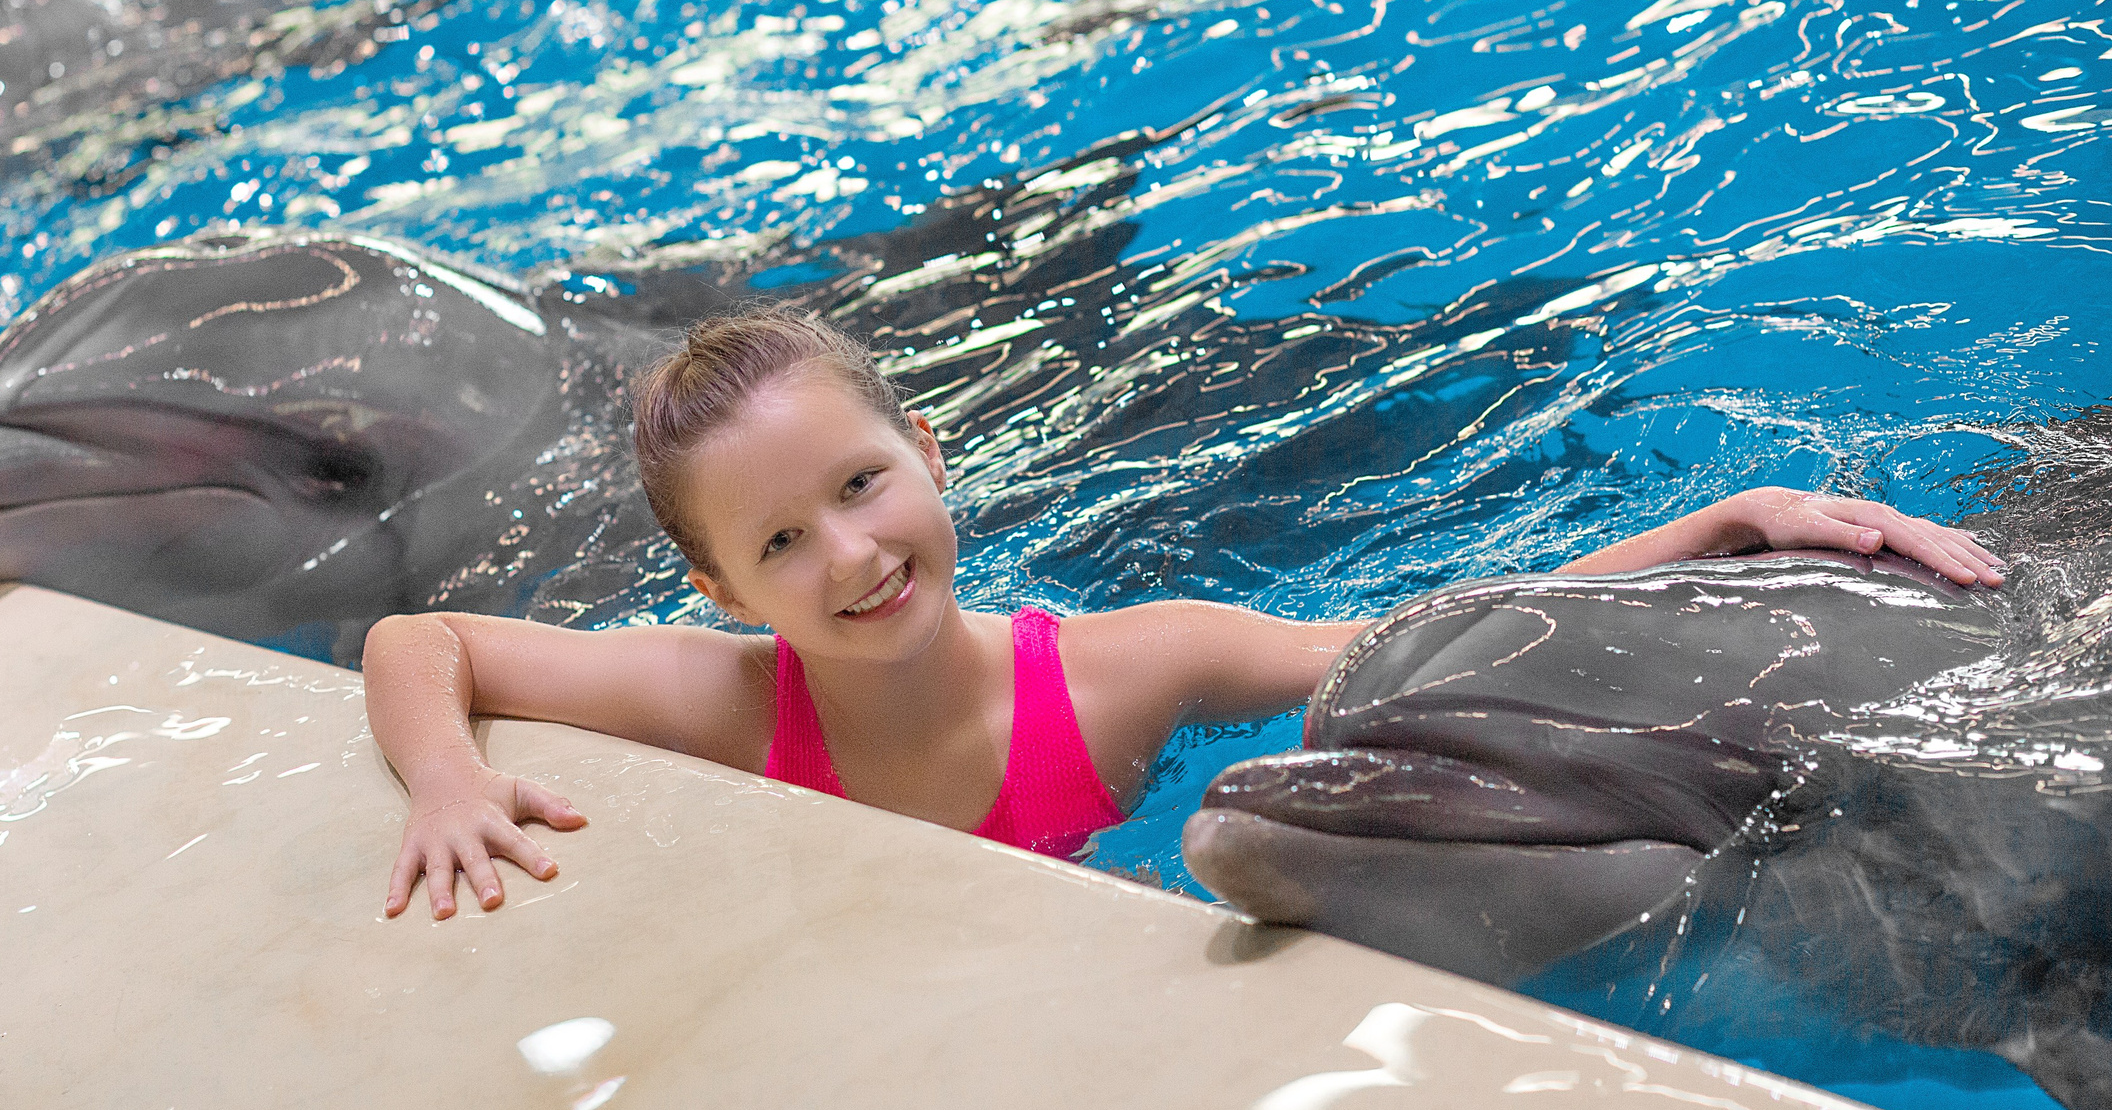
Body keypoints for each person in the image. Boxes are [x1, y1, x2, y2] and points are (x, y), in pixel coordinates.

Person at [362, 306, 2006, 919]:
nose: (851, 557)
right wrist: (446, 776)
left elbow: (1436, 633)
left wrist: (1711, 526)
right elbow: (416, 640)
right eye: (781, 544)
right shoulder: (724, 697)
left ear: (929, 457)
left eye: (865, 488)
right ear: (722, 591)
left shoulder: (1135, 670)